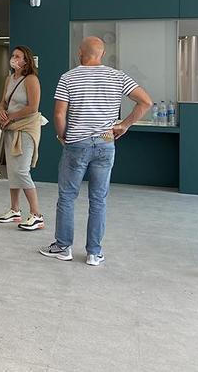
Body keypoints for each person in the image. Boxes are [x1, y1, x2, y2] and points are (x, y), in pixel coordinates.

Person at [40, 37, 152, 266]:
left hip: (77, 143)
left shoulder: (68, 77)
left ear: (81, 53)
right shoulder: (117, 76)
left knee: (67, 197)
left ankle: (63, 247)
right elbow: (145, 102)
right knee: (99, 199)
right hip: (105, 141)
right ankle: (94, 252)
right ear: (101, 54)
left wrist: (62, 135)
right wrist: (125, 124)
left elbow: (59, 114)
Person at [0, 46, 45, 231]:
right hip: (10, 128)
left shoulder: (31, 80)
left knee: (22, 171)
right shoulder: (10, 78)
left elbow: (33, 107)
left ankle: (36, 214)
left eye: (17, 56)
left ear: (26, 60)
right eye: (13, 55)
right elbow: (4, 102)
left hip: (26, 128)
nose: (13, 58)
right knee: (13, 170)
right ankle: (15, 210)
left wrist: (10, 117)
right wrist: (1, 111)